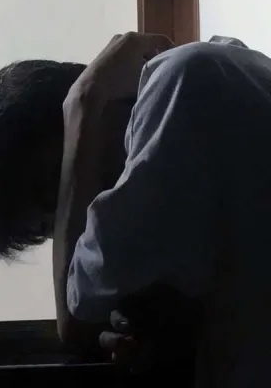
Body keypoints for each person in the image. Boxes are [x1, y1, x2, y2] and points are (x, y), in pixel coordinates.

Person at [63, 34, 271, 387]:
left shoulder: (183, 77)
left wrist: (81, 105)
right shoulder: (229, 71)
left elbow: (78, 308)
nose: (83, 215)